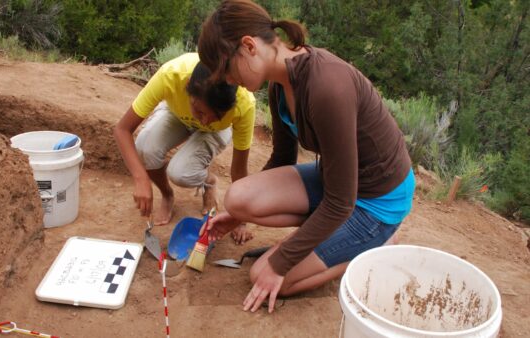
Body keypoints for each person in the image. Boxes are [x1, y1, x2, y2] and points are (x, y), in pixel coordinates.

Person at [198, 0, 415, 313]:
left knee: (266, 275)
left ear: (248, 46)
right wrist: (239, 217)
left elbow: (342, 202)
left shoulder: (327, 86)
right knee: (239, 198)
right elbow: (283, 158)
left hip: (377, 202)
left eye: (226, 71)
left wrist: (281, 262)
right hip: (339, 184)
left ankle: (376, 245)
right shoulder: (279, 85)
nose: (229, 82)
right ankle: (333, 238)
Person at [113, 53, 256, 244]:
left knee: (181, 173)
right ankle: (167, 194)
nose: (204, 121)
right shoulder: (170, 76)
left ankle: (209, 182)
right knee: (145, 149)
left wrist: (241, 219)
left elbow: (239, 170)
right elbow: (122, 129)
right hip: (177, 114)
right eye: (200, 111)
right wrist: (141, 178)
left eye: (216, 115)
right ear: (187, 86)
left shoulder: (244, 105)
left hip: (215, 132)